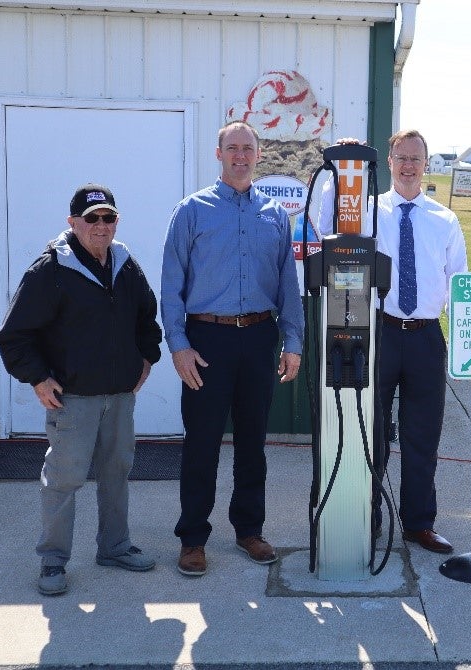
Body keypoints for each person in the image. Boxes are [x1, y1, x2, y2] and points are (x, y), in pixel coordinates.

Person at [0, 183, 163, 596]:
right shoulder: (49, 270)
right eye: (91, 219)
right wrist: (37, 378)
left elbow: (147, 317)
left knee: (116, 474)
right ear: (73, 222)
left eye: (108, 217)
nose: (101, 226)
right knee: (63, 480)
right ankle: (53, 561)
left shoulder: (126, 265)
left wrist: (147, 357)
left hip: (120, 397)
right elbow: (14, 335)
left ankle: (115, 547)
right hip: (73, 399)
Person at [161, 121, 304, 576]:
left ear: (258, 155)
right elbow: (170, 286)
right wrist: (179, 346)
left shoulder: (274, 214)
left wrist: (292, 341)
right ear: (219, 153)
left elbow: (287, 283)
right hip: (207, 342)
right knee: (201, 443)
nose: (240, 155)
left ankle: (249, 530)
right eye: (232, 148)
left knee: (252, 442)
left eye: (247, 148)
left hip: (259, 337)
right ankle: (192, 539)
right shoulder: (192, 211)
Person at [319, 130, 468, 554]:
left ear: (426, 164)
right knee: (373, 435)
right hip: (379, 332)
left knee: (423, 438)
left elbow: (458, 283)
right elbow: (321, 219)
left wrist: (466, 346)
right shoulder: (366, 211)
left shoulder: (445, 220)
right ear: (388, 161)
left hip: (425, 338)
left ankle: (419, 523)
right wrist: (339, 166)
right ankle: (368, 520)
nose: (408, 165)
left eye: (416, 159)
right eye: (401, 157)